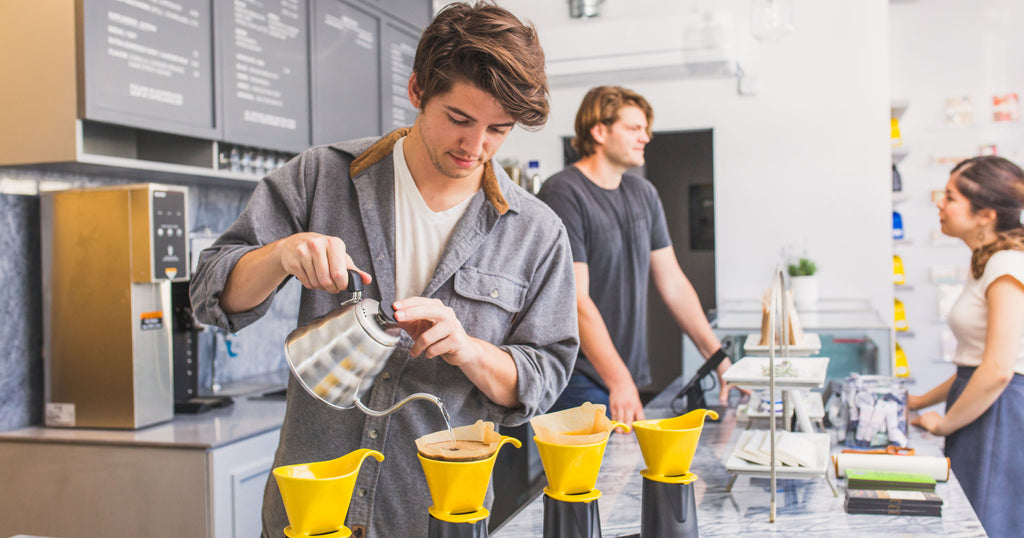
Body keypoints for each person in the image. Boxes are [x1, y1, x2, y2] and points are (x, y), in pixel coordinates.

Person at [189, 3, 578, 537]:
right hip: (309, 515)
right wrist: (279, 254)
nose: (476, 146)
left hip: (434, 517)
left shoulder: (536, 231)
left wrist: (469, 350)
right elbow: (210, 293)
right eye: (459, 119)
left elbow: (543, 376)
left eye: (498, 129)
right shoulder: (320, 177)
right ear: (418, 91)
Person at [538, 86, 738, 426]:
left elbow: (673, 283)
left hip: (623, 373)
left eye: (645, 129)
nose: (645, 137)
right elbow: (576, 299)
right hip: (577, 376)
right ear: (599, 131)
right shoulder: (563, 193)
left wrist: (717, 358)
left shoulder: (643, 194)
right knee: (588, 479)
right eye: (634, 128)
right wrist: (618, 380)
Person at [908, 155, 1024, 537]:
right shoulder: (988, 262)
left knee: (987, 521)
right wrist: (919, 402)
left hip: (998, 415)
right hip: (983, 406)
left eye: (951, 196)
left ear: (985, 214)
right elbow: (972, 366)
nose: (939, 203)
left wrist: (944, 423)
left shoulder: (1006, 266)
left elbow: (998, 370)